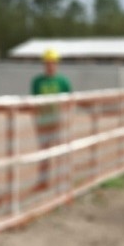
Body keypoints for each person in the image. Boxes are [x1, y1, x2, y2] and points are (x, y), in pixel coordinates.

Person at [30, 48, 72, 188]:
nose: (50, 65)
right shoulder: (37, 82)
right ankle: (43, 181)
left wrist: (66, 120)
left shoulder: (63, 82)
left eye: (52, 62)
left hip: (58, 122)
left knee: (61, 152)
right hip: (43, 122)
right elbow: (34, 104)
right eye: (47, 63)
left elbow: (69, 103)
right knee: (44, 153)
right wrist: (36, 122)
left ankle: (62, 180)